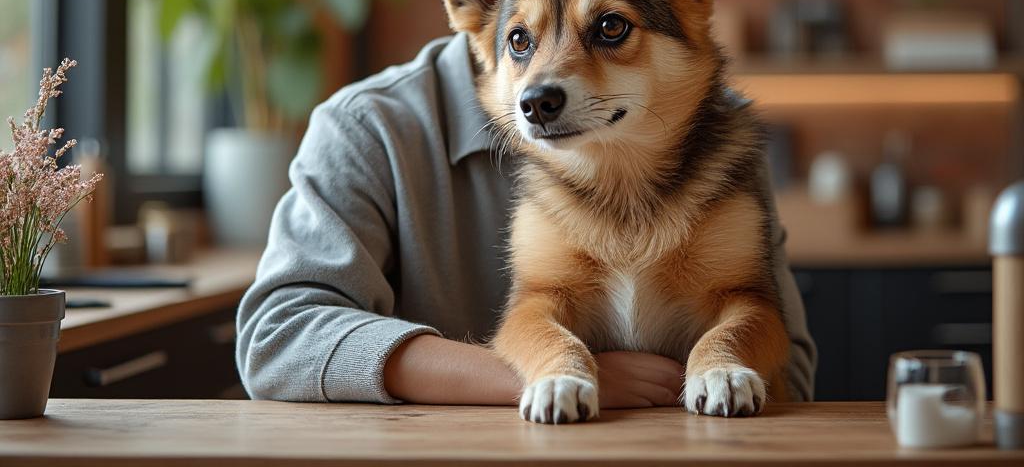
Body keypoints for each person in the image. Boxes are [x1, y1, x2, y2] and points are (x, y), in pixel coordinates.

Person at [236, 33, 817, 407]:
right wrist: (545, 376)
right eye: (520, 40)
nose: (546, 83)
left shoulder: (711, 129)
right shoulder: (366, 128)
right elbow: (278, 337)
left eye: (609, 31)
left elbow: (789, 363)